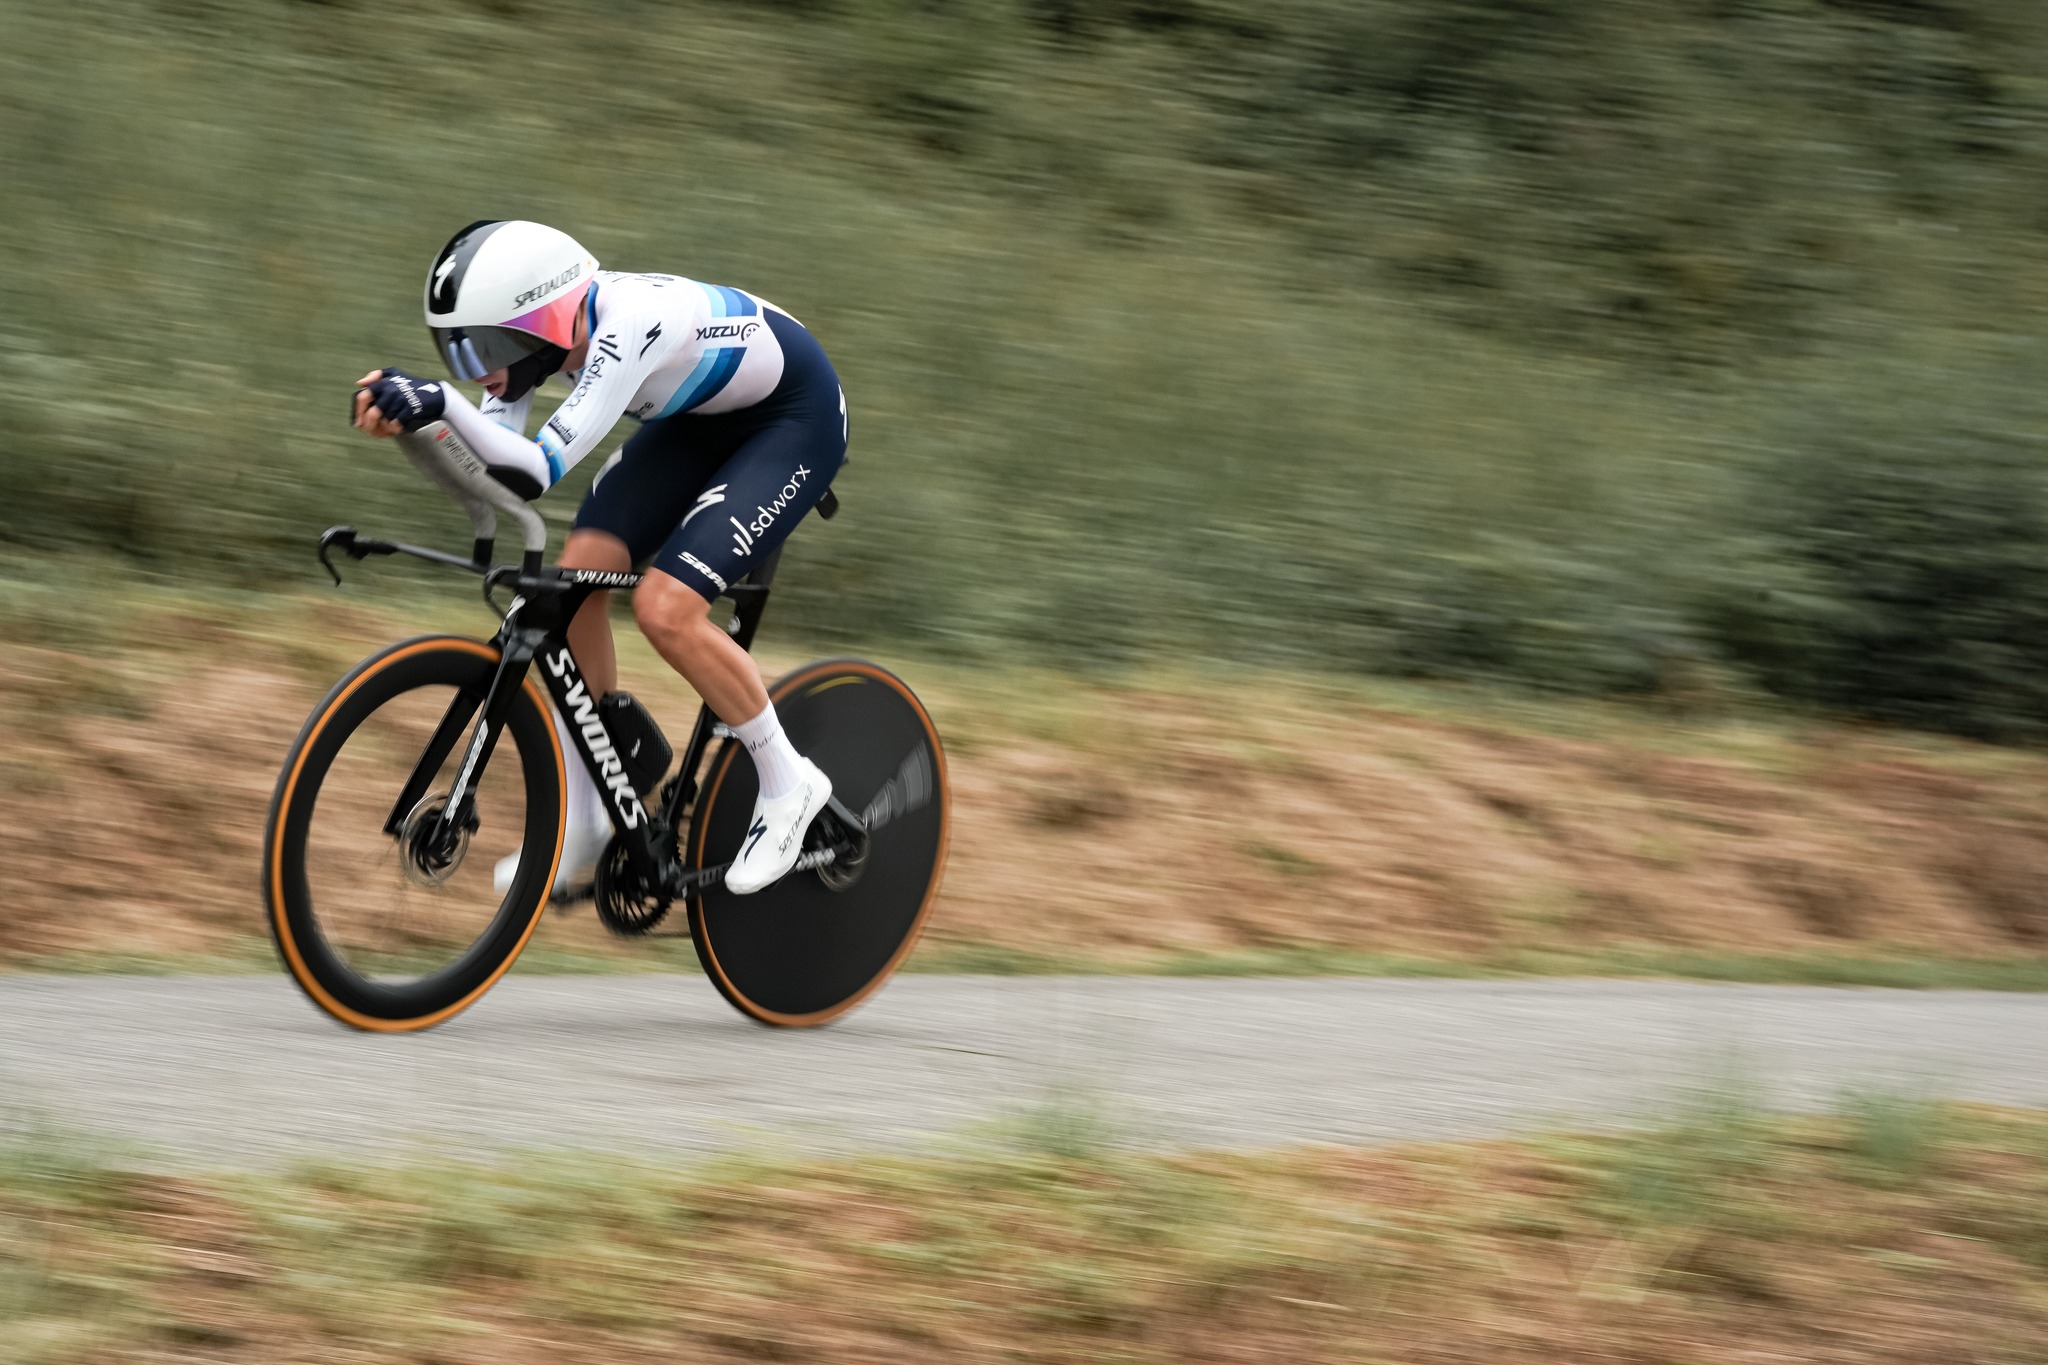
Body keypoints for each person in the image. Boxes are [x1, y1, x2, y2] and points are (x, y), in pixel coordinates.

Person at [349, 220, 844, 898]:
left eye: (485, 346)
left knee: (666, 609)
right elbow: (487, 471)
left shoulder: (626, 326)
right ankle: (586, 819)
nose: (480, 369)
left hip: (793, 420)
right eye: (458, 350)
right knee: (575, 578)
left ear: (546, 316)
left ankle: (791, 783)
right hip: (696, 421)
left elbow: (533, 472)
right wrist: (419, 425)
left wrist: (439, 400)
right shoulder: (537, 346)